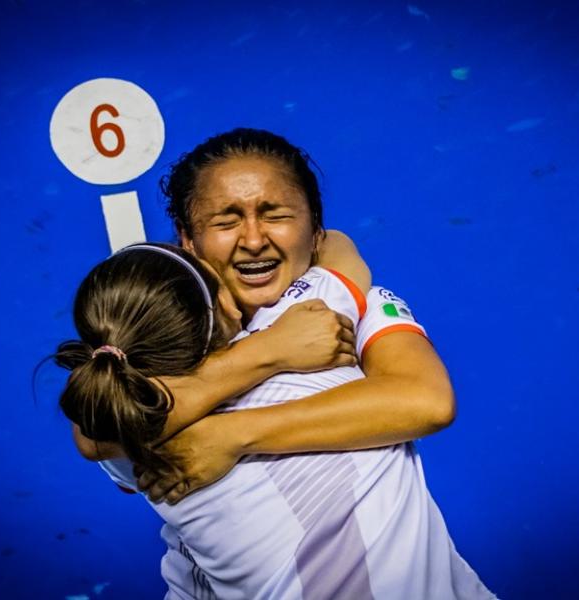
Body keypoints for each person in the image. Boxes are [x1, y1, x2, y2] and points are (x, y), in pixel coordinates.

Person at [62, 128, 496, 598]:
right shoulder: (146, 364)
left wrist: (231, 435)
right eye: (226, 221)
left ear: (314, 229)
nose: (253, 239)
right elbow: (95, 433)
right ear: (188, 240)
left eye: (277, 215)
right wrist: (267, 352)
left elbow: (425, 401)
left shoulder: (346, 306)